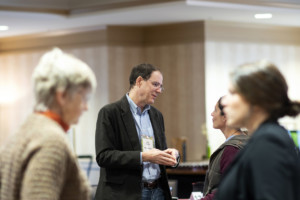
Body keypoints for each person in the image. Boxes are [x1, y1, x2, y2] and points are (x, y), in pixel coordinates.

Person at [0, 48, 97, 200]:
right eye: (84, 97)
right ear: (63, 95)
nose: (86, 107)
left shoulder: (23, 131)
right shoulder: (51, 141)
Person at [215, 61, 300, 200]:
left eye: (233, 93)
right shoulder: (263, 139)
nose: (224, 103)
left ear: (256, 99)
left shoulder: (270, 143)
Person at [94, 63, 180, 200]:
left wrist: (171, 155)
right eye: (155, 84)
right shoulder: (110, 113)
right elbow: (104, 156)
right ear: (139, 81)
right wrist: (143, 156)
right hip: (126, 193)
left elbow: (159, 152)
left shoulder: (157, 115)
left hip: (158, 191)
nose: (159, 90)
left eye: (161, 86)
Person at [201, 97, 248, 200]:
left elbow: (228, 191)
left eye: (215, 110)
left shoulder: (232, 149)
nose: (212, 114)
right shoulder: (244, 141)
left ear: (225, 116)